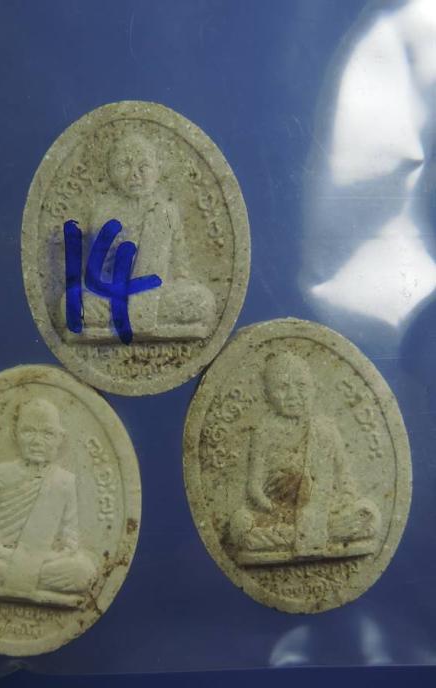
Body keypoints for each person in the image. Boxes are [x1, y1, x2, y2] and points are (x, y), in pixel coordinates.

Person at [60, 133, 216, 341]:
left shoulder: (167, 211)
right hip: (115, 298)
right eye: (124, 166)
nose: (134, 175)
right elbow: (99, 272)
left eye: (144, 167)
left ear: (158, 170)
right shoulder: (104, 211)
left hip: (158, 297)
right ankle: (134, 318)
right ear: (111, 172)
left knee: (203, 301)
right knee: (70, 304)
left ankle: (136, 318)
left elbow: (180, 268)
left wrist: (178, 281)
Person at [229, 352, 381, 564]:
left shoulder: (326, 430)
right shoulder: (264, 432)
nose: (293, 395)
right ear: (267, 394)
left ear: (313, 388)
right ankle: (319, 534)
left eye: (301, 386)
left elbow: (346, 482)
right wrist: (279, 511)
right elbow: (254, 489)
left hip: (322, 512)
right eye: (282, 387)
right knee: (241, 526)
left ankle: (309, 533)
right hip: (279, 516)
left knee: (369, 515)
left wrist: (335, 505)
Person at [0, 398, 97, 605]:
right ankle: (25, 581)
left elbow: (70, 540)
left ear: (60, 438)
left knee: (82, 571)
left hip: (42, 563)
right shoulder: (1, 472)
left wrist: (43, 559)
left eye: (47, 433)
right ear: (14, 434)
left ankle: (12, 580)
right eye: (28, 431)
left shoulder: (64, 481)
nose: (37, 441)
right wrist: (3, 553)